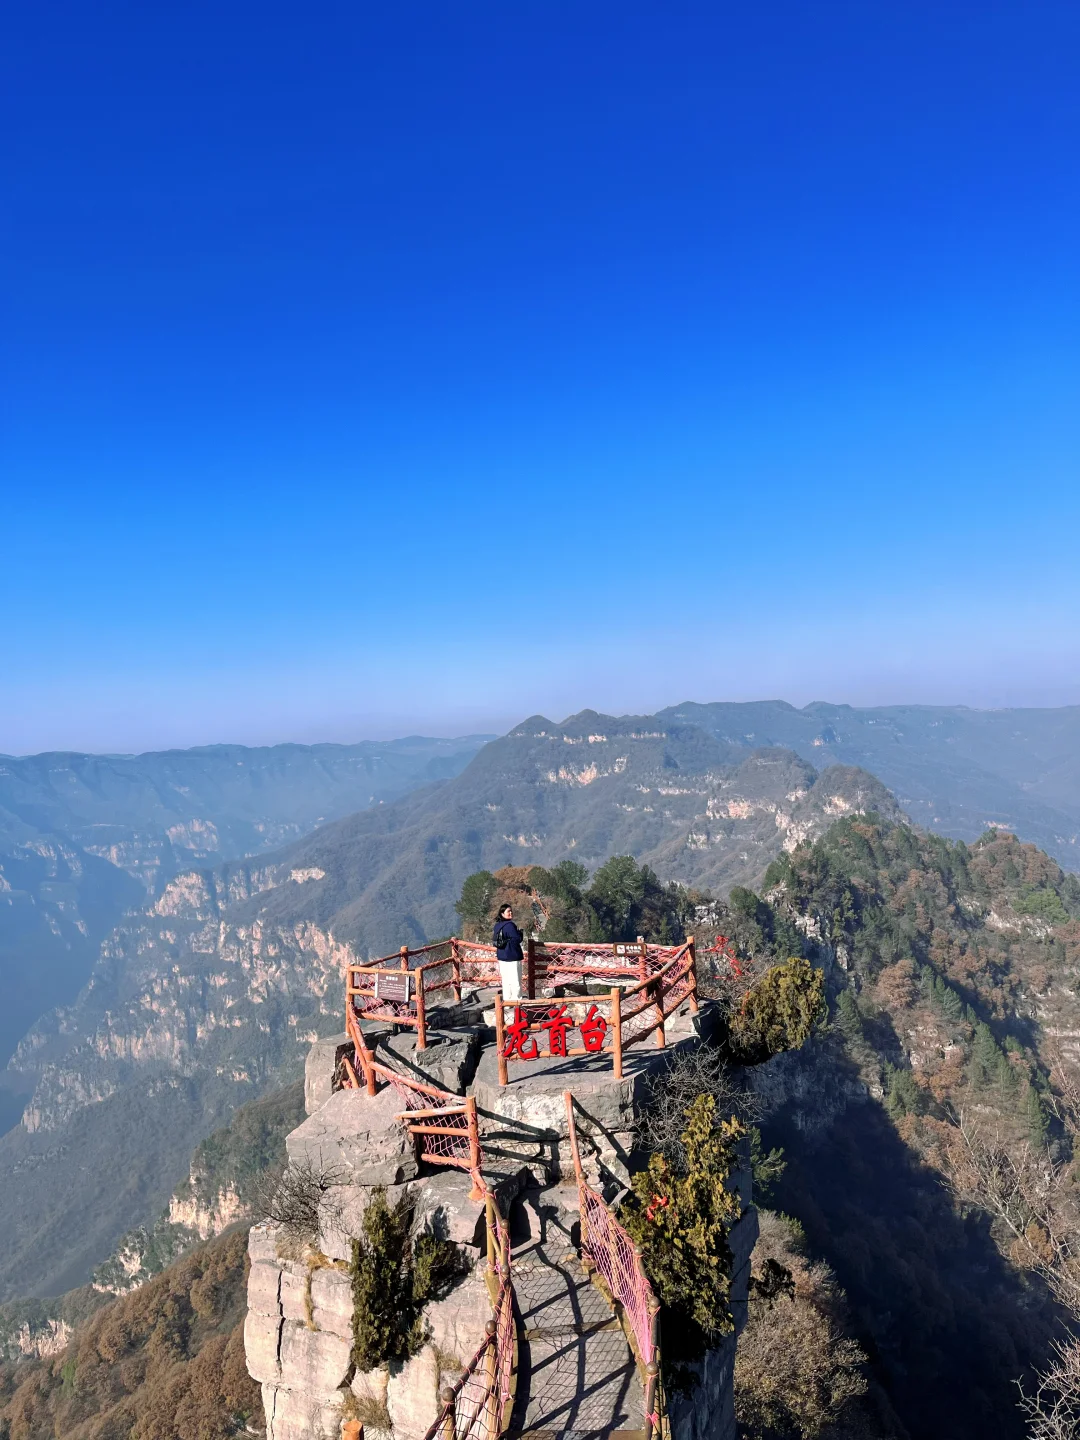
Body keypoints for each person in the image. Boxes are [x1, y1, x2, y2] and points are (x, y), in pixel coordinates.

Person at [492, 903, 524, 1001]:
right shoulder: (510, 925)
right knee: (516, 980)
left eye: (511, 911)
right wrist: (520, 933)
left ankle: (507, 1001)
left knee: (506, 981)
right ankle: (517, 1001)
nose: (511, 913)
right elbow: (517, 939)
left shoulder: (497, 926)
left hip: (502, 956)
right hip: (512, 956)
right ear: (502, 914)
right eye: (508, 911)